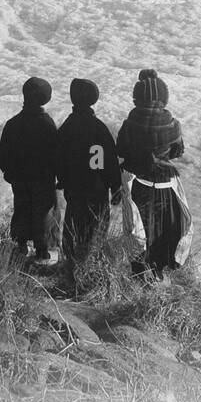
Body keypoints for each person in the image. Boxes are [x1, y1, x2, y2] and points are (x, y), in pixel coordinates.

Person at [115, 69, 193, 276]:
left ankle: (139, 274)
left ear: (137, 97)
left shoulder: (130, 124)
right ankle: (158, 274)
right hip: (166, 184)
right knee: (164, 231)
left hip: (138, 183)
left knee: (139, 232)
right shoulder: (173, 124)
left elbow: (120, 150)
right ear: (164, 97)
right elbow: (178, 151)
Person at [55, 78, 121, 267]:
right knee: (97, 227)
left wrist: (62, 180)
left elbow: (58, 158)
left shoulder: (67, 128)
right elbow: (110, 161)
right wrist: (116, 186)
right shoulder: (100, 128)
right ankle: (91, 262)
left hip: (75, 188)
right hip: (98, 188)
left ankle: (71, 261)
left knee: (73, 224)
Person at [0, 76, 59, 262]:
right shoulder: (48, 124)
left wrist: (10, 174)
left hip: (19, 179)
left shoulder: (12, 123)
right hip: (43, 179)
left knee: (22, 208)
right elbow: (55, 155)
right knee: (44, 213)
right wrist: (55, 175)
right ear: (46, 99)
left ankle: (20, 245)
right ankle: (43, 251)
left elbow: (4, 157)